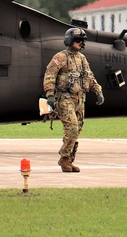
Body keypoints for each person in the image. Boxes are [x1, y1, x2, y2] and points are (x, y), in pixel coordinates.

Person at [43, 27, 104, 173]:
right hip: (64, 98)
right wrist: (50, 95)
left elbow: (89, 76)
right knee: (72, 128)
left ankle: (69, 160)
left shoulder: (82, 59)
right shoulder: (60, 57)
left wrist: (98, 90)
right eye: (78, 41)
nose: (81, 44)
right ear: (69, 41)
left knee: (77, 130)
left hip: (79, 99)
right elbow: (50, 75)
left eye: (82, 41)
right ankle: (64, 158)